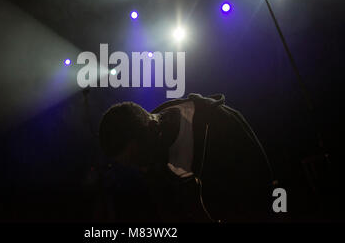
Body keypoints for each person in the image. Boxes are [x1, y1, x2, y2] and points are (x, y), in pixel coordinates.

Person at [99, 93, 275, 222]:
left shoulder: (219, 124)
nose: (141, 169)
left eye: (139, 158)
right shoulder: (149, 147)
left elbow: (262, 188)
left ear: (153, 129)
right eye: (131, 164)